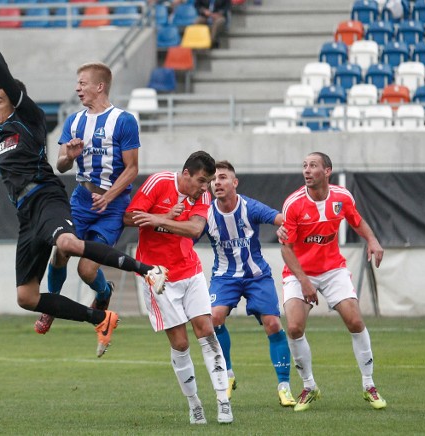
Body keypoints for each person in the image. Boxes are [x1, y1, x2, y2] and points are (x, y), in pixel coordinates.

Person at [0, 9, 167, 358]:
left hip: (45, 197)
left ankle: (147, 271)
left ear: (14, 101)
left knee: (69, 246)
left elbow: (2, 73)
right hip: (26, 214)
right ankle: (99, 317)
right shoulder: (1, 128)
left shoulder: (30, 118)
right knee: (26, 296)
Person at [123, 151, 233, 425]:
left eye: (207, 182)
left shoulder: (203, 196)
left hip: (189, 270)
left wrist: (160, 219)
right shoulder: (158, 182)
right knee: (181, 343)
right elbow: (128, 217)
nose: (205, 188)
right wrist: (158, 214)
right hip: (158, 276)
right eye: (201, 181)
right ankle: (194, 404)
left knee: (206, 332)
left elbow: (195, 229)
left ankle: (223, 400)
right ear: (186, 175)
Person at [33, 62, 140, 336]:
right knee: (61, 250)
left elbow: (132, 169)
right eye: (78, 83)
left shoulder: (124, 120)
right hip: (81, 200)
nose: (77, 88)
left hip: (111, 207)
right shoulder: (74, 121)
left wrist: (110, 197)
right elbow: (61, 165)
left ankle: (103, 293)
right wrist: (69, 155)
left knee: (86, 270)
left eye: (82, 83)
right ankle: (52, 305)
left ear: (99, 86)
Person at [278, 151, 387, 411]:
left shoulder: (341, 197)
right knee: (293, 328)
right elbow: (286, 248)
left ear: (327, 171)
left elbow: (356, 220)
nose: (306, 170)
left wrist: (372, 240)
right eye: (304, 165)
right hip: (298, 272)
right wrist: (304, 282)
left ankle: (369, 385)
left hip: (332, 269)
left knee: (355, 321)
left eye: (313, 166)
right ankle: (309, 386)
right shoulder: (293, 204)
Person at [203, 160, 295, 407]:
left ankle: (284, 386)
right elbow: (187, 236)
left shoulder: (249, 207)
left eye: (222, 178)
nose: (217, 183)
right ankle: (229, 374)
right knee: (213, 319)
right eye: (213, 179)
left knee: (273, 324)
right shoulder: (206, 213)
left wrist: (285, 228)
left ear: (234, 183)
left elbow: (279, 218)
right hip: (224, 277)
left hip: (257, 276)